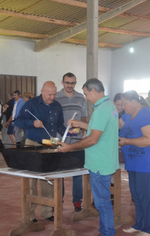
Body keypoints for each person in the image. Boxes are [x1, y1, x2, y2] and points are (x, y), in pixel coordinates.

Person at [57, 78, 119, 236]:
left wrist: (70, 147)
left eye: (86, 94)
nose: (85, 98)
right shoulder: (110, 106)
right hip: (106, 161)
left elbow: (93, 139)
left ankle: (107, 233)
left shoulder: (100, 110)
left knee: (102, 203)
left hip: (99, 163)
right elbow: (99, 128)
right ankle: (106, 231)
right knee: (103, 201)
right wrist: (80, 123)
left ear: (93, 91)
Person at [15, 81, 66, 222]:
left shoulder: (57, 106)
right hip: (32, 145)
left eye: (54, 94)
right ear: (42, 91)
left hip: (50, 146)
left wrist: (69, 131)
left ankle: (46, 212)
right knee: (30, 182)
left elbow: (59, 125)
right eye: (49, 94)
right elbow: (18, 121)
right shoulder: (31, 104)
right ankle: (30, 215)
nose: (52, 97)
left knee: (48, 181)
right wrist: (33, 123)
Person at [119, 90, 150, 236]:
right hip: (134, 162)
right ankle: (140, 223)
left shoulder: (146, 115)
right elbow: (118, 124)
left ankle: (149, 229)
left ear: (133, 102)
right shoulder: (128, 114)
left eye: (124, 104)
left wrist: (128, 141)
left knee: (145, 196)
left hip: (146, 163)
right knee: (136, 195)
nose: (123, 107)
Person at [55, 72, 87, 212]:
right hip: (60, 139)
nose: (70, 85)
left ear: (75, 83)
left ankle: (77, 201)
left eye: (72, 83)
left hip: (77, 140)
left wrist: (83, 130)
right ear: (62, 82)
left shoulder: (81, 98)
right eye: (67, 83)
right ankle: (58, 201)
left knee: (77, 172)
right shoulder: (56, 97)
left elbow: (84, 117)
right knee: (59, 171)